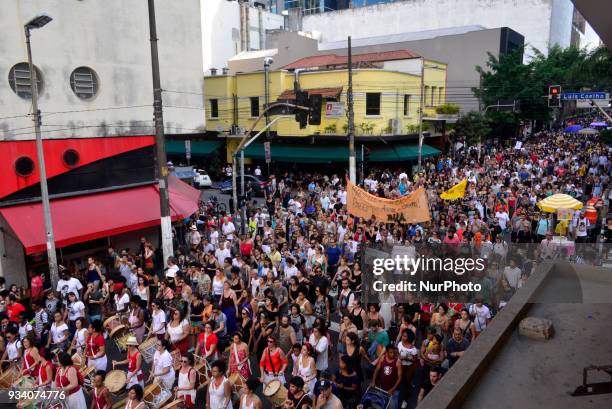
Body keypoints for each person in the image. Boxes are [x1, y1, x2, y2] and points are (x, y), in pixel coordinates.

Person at [372, 345, 402, 409]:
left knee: (393, 407)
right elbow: (376, 370)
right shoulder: (382, 358)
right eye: (391, 352)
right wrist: (373, 381)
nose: (393, 354)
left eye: (394, 352)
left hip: (393, 389)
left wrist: (392, 389)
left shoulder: (397, 362)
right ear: (387, 352)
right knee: (379, 405)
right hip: (382, 387)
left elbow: (400, 377)